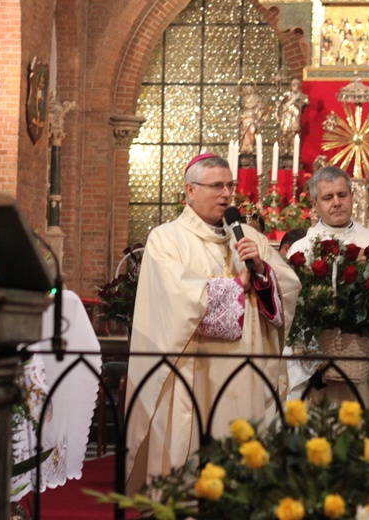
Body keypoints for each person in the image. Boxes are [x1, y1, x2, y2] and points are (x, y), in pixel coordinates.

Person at [125, 153, 300, 493]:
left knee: (239, 461)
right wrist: (235, 289)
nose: (226, 195)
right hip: (192, 371)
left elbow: (288, 285)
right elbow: (175, 297)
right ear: (190, 191)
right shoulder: (167, 238)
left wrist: (263, 273)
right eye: (217, 186)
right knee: (189, 465)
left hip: (245, 371)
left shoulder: (248, 237)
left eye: (230, 186)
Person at [285, 166, 369, 429]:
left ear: (353, 197)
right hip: (319, 362)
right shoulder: (303, 248)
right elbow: (292, 309)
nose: (337, 203)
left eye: (342, 195)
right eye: (328, 197)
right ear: (315, 203)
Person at [275, 79, 308, 156]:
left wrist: (300, 102)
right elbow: (279, 102)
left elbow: (306, 101)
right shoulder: (287, 94)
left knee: (294, 133)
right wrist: (277, 114)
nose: (295, 87)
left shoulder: (301, 95)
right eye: (293, 85)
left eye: (297, 85)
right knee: (285, 132)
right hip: (286, 115)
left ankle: (293, 150)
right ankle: (285, 149)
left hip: (294, 115)